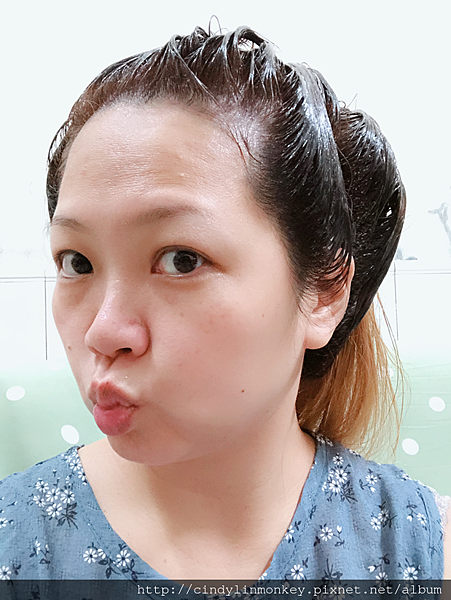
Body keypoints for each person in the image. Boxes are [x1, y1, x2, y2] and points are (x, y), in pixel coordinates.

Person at [0, 25, 449, 586]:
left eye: (182, 260)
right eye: (77, 262)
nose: (103, 331)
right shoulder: (14, 542)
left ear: (325, 292)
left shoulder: (422, 550)